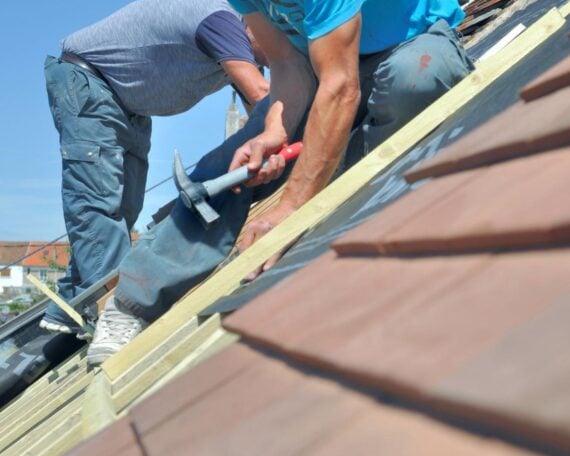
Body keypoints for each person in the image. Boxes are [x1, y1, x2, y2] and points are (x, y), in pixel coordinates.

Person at [89, 0, 474, 366]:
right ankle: (134, 302)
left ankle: (352, 231)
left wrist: (291, 207)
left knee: (415, 79)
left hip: (411, 45)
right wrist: (274, 131)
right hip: (318, 64)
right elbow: (287, 63)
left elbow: (341, 88)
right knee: (228, 168)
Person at [40, 0, 270, 334]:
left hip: (128, 103)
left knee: (123, 210)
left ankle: (67, 309)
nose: (280, 53)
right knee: (99, 207)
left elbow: (260, 117)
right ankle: (115, 316)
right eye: (281, 37)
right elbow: (264, 99)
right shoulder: (223, 22)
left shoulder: (242, 39)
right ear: (256, 22)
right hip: (91, 83)